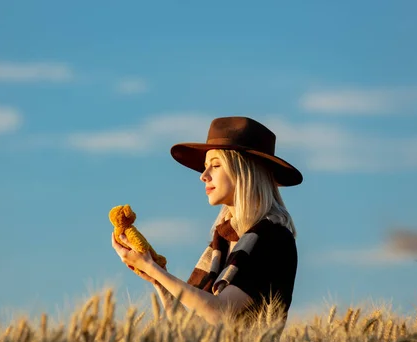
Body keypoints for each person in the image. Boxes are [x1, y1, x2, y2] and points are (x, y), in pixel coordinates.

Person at [111, 116, 303, 326]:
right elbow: (192, 330)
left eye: (216, 165)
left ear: (245, 171)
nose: (204, 175)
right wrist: (158, 279)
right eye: (205, 166)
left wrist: (151, 267)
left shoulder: (272, 238)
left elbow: (220, 312)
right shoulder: (222, 241)